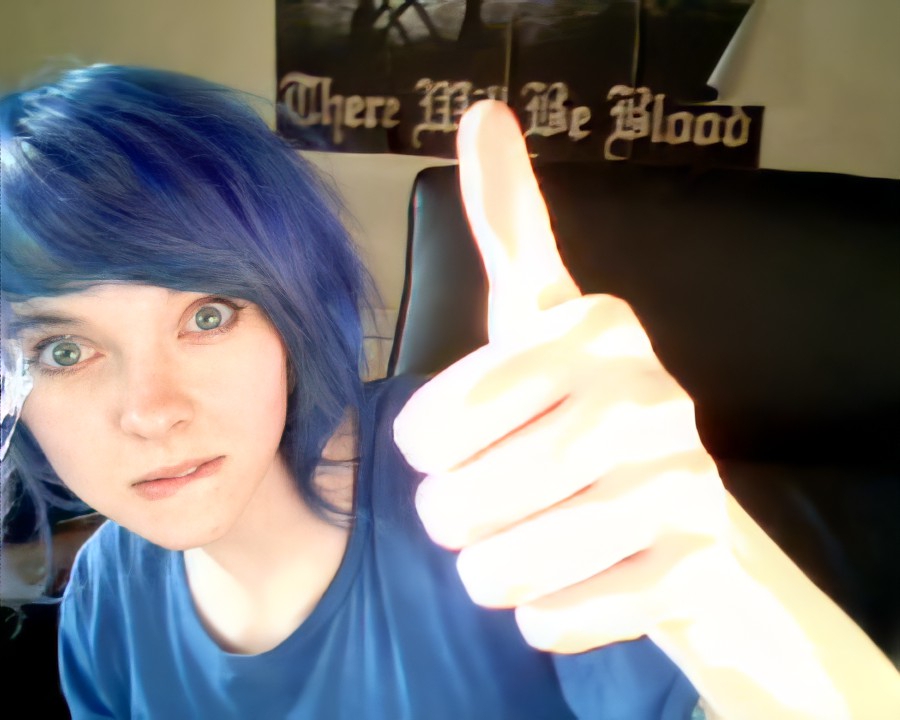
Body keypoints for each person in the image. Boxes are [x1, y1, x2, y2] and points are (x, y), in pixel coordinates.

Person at [0, 65, 896, 719]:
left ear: (293, 310)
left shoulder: (502, 481)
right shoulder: (105, 597)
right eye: (63, 349)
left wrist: (727, 598)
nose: (150, 411)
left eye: (208, 316)